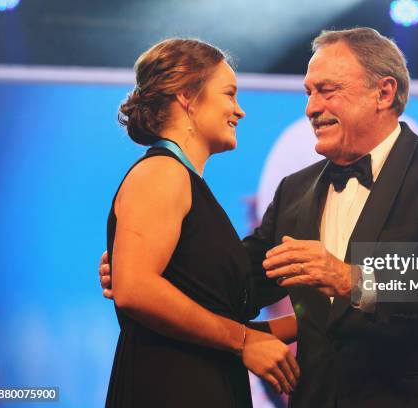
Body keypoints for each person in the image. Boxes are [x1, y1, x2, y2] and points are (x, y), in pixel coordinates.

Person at [101, 28, 418, 407]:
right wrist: (161, 266)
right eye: (308, 93)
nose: (312, 108)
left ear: (384, 91)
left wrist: (349, 278)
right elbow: (239, 287)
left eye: (327, 91)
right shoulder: (295, 191)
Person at [103, 38, 299, 408]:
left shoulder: (184, 183)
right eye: (229, 94)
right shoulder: (162, 173)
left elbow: (216, 326)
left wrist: (316, 320)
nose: (239, 111)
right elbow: (134, 289)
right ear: (187, 97)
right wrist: (242, 341)